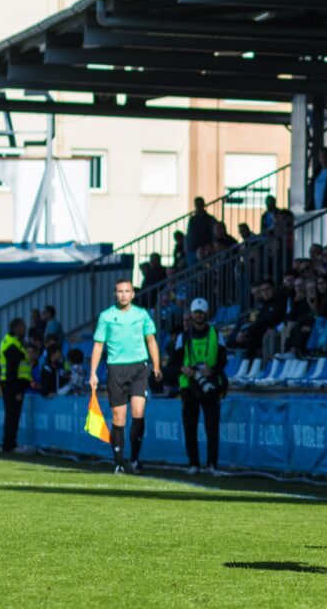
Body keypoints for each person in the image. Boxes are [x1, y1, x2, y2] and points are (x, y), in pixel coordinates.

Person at [90, 279, 162, 475]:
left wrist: (156, 365)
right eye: (120, 291)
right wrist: (93, 372)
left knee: (138, 412)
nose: (123, 295)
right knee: (118, 417)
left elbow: (151, 340)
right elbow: (98, 345)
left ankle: (135, 460)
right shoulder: (106, 316)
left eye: (127, 291)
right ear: (115, 294)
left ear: (132, 294)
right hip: (116, 369)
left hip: (139, 368)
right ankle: (119, 462)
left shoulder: (142, 315)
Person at [173, 298, 228, 475]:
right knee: (190, 426)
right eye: (195, 313)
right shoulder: (183, 337)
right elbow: (175, 362)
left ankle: (212, 464)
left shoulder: (216, 334)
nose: (197, 316)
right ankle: (194, 464)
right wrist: (184, 369)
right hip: (189, 386)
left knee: (212, 427)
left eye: (200, 312)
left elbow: (223, 359)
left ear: (206, 314)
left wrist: (211, 371)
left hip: (210, 385)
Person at [0, 318, 30, 453]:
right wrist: (17, 391)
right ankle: (10, 445)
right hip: (13, 386)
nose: (25, 329)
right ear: (17, 328)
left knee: (11, 416)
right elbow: (12, 370)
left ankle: (9, 444)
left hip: (8, 384)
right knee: (13, 416)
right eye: (23, 327)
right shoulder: (13, 345)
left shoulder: (9, 341)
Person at [185, 196, 216, 266]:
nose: (198, 207)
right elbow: (190, 234)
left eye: (200, 204)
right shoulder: (192, 219)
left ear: (203, 205)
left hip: (206, 247)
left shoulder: (210, 219)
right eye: (197, 205)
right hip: (194, 248)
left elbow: (212, 234)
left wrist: (208, 246)